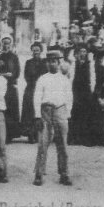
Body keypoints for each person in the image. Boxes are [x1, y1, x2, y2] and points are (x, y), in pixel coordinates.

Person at [33, 50, 73, 186]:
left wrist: (67, 114)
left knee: (62, 145)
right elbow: (37, 97)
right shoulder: (42, 79)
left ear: (59, 63)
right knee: (43, 144)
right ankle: (39, 174)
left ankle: (64, 174)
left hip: (60, 110)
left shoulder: (64, 79)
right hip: (46, 111)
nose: (51, 64)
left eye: (54, 61)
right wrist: (38, 116)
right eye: (49, 61)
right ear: (46, 63)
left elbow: (69, 98)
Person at [21, 42, 48, 144]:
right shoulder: (28, 62)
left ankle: (39, 133)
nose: (35, 52)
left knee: (40, 110)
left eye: (37, 50)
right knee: (29, 110)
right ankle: (30, 134)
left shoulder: (44, 62)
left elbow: (45, 75)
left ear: (41, 51)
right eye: (34, 50)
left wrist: (41, 84)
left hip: (41, 88)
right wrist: (33, 82)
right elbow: (26, 75)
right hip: (31, 87)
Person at [70, 45, 96, 146]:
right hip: (76, 90)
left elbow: (93, 77)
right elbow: (71, 77)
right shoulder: (74, 64)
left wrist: (91, 90)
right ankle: (75, 138)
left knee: (86, 115)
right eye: (81, 51)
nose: (82, 54)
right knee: (76, 113)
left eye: (84, 52)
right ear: (77, 53)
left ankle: (85, 138)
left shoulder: (90, 64)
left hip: (86, 90)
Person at [0, 36, 21, 142]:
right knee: (3, 109)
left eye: (8, 43)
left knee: (12, 109)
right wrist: (3, 75)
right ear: (1, 44)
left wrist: (11, 77)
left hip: (11, 85)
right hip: (1, 86)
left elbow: (17, 72)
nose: (6, 45)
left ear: (11, 44)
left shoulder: (14, 57)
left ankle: (12, 134)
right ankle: (4, 134)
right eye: (4, 43)